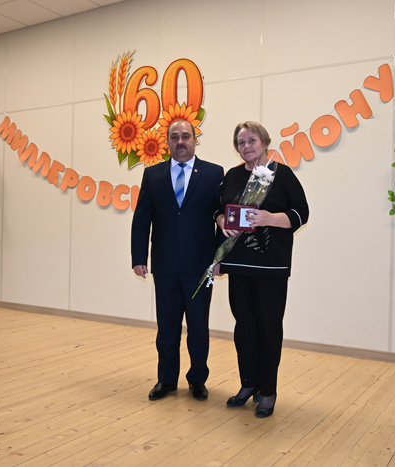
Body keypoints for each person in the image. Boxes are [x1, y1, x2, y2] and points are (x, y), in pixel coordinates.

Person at [215, 121, 309, 418]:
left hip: (271, 266)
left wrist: (269, 218)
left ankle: (267, 391)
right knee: (244, 329)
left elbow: (301, 213)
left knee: (268, 329)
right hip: (238, 265)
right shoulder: (231, 176)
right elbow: (218, 210)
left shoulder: (282, 175)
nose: (246, 146)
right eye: (241, 142)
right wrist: (220, 224)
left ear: (265, 142)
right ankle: (248, 384)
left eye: (251, 140)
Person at [131, 119, 224, 402]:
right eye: (174, 137)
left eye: (186, 136)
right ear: (167, 142)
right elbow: (142, 218)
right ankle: (166, 380)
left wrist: (220, 257)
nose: (180, 141)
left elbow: (221, 219)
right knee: (167, 328)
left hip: (201, 266)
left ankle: (198, 380)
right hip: (165, 264)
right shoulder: (152, 175)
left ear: (195, 140)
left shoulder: (214, 173)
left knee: (198, 327)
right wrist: (138, 257)